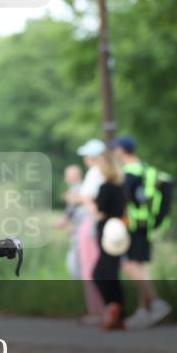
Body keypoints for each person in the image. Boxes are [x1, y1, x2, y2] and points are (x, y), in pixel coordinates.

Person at [113, 135, 171, 329]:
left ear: (121, 150)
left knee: (130, 265)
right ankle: (143, 311)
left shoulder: (129, 173)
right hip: (146, 223)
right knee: (141, 266)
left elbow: (122, 201)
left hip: (132, 224)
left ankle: (156, 303)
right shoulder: (146, 169)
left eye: (115, 149)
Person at [91, 151, 128, 331]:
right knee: (111, 272)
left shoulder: (105, 188)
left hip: (107, 232)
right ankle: (119, 313)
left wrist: (87, 202)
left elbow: (99, 211)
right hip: (118, 234)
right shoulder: (121, 187)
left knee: (100, 273)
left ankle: (112, 308)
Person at [72, 139, 108, 325]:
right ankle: (103, 310)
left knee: (90, 269)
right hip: (99, 224)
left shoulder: (95, 173)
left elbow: (87, 198)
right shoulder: (105, 172)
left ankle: (97, 312)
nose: (85, 158)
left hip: (90, 224)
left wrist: (94, 216)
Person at [55, 164, 85, 277]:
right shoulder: (75, 188)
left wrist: (72, 225)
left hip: (79, 232)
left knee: (75, 264)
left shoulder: (79, 189)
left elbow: (81, 212)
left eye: (67, 175)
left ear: (75, 176)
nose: (65, 178)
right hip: (77, 231)